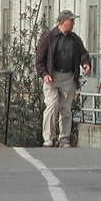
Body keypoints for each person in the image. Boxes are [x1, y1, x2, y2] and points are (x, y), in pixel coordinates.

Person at [36, 9, 92, 148]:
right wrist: (44, 74)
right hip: (52, 76)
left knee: (66, 109)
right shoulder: (49, 37)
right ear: (63, 22)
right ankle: (48, 137)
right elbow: (39, 59)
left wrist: (85, 63)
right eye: (71, 20)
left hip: (68, 76)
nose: (73, 23)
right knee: (52, 105)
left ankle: (64, 139)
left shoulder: (75, 39)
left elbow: (82, 53)